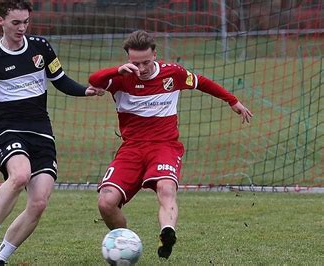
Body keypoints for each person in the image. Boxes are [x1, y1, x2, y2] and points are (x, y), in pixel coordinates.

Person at [0, 1, 104, 265]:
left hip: (40, 129)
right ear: (0, 21)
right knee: (20, 175)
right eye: (15, 23)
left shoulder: (41, 47)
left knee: (39, 202)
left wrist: (84, 90)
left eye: (26, 22)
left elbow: (60, 80)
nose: (22, 28)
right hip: (5, 128)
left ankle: (0, 259)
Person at [89, 30, 253, 260]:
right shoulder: (120, 78)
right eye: (136, 63)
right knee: (106, 202)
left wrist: (232, 100)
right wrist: (117, 70)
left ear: (155, 55)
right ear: (128, 60)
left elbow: (201, 82)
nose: (142, 68)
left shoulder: (172, 74)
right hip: (132, 148)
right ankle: (126, 243)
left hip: (164, 146)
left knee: (166, 189)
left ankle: (167, 232)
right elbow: (94, 80)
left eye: (146, 62)